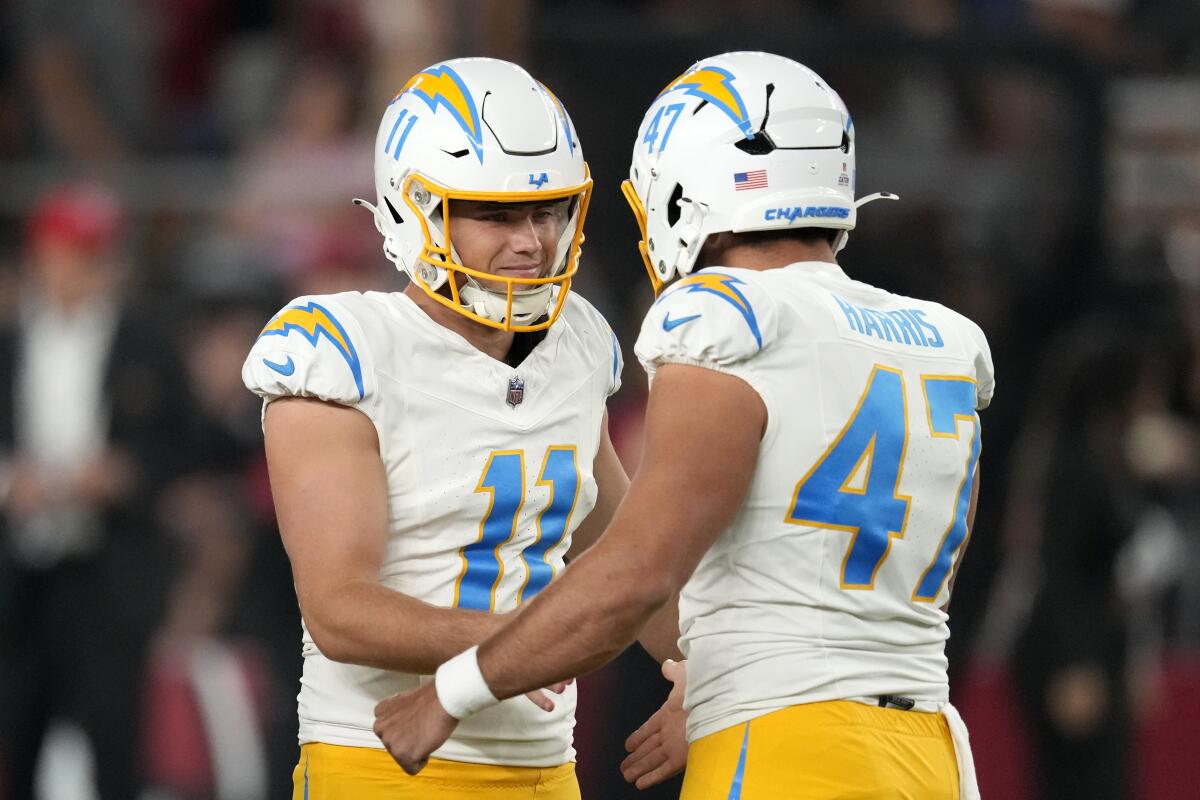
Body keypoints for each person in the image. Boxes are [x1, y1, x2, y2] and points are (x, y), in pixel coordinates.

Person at [373, 51, 994, 800]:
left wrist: (452, 692)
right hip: (931, 755)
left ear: (681, 195)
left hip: (786, 751)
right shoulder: (943, 342)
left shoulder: (726, 318)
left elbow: (635, 574)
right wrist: (715, 682)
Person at [242, 57, 653, 799]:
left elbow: (629, 556)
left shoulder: (580, 342)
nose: (531, 241)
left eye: (547, 211)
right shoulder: (344, 346)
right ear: (415, 208)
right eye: (495, 215)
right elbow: (339, 610)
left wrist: (702, 670)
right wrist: (514, 646)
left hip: (546, 771)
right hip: (384, 764)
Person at [0, 182, 193, 799]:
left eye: (100, 252)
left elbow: (182, 441)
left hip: (112, 572)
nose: (91, 267)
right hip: (20, 577)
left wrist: (124, 473)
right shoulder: (9, 343)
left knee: (115, 739)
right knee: (17, 732)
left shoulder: (148, 342)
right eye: (76, 251)